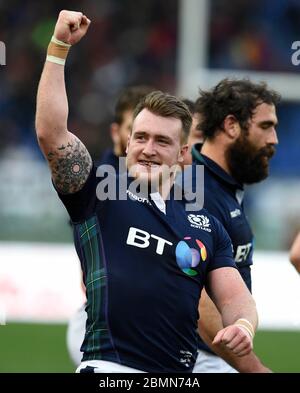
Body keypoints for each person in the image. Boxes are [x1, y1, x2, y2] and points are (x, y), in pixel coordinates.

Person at [36, 10, 258, 373]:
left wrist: (243, 326)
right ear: (127, 143)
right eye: (140, 137)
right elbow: (51, 133)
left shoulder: (205, 224)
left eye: (161, 140)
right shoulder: (98, 194)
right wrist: (59, 47)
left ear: (184, 153)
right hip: (111, 371)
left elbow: (236, 298)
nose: (148, 148)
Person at [188, 78, 280, 373]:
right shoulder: (195, 191)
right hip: (195, 360)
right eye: (265, 126)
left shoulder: (221, 187)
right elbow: (199, 301)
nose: (274, 139)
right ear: (231, 126)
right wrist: (255, 370)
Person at [66, 85, 154, 366]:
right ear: (117, 133)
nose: (145, 144)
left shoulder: (154, 181)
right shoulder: (100, 185)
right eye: (136, 131)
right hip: (104, 323)